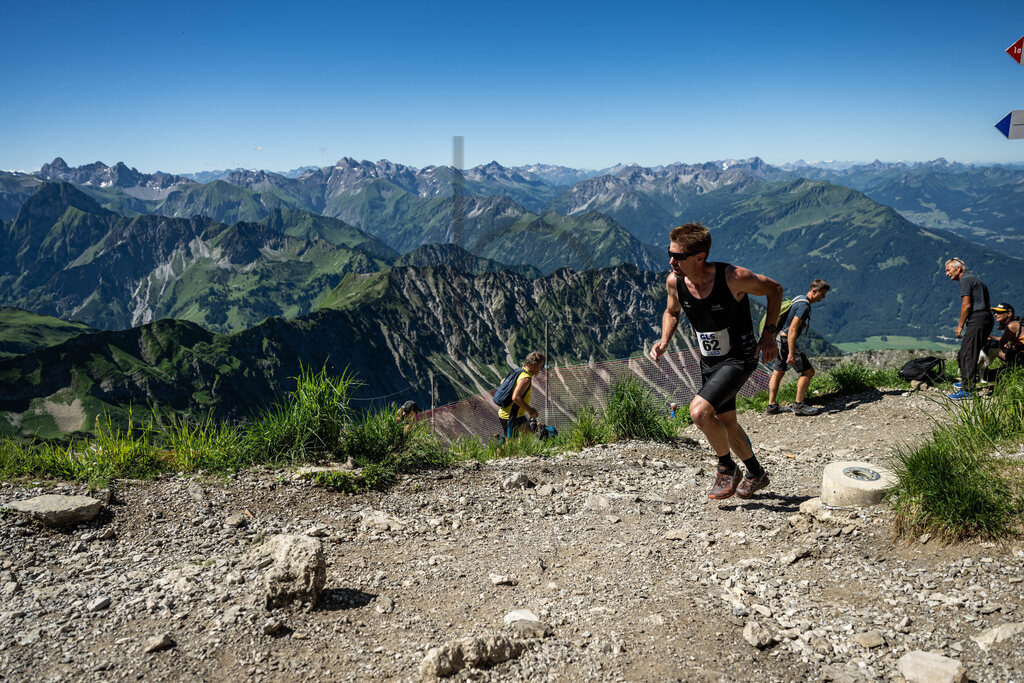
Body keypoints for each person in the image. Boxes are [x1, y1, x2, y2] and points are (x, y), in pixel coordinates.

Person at [649, 222, 783, 500]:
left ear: (700, 256)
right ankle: (756, 472)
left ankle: (726, 467)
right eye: (669, 253)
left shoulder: (734, 277)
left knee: (699, 413)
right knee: (726, 421)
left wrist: (768, 335)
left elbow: (775, 290)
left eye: (678, 256)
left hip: (739, 357)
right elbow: (672, 312)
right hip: (709, 360)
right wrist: (664, 341)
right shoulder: (674, 281)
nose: (671, 261)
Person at [765, 279, 831, 416]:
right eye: (822, 294)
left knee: (778, 371)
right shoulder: (804, 306)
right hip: (785, 341)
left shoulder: (798, 299)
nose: (822, 298)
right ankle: (799, 405)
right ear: (814, 291)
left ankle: (771, 406)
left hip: (777, 339)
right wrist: (791, 352)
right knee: (808, 372)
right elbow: (793, 330)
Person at [944, 258, 993, 398]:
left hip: (977, 318)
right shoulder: (975, 279)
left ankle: (968, 389)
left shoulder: (965, 280)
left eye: (948, 270)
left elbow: (967, 305)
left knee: (967, 353)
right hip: (986, 317)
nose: (947, 274)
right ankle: (968, 380)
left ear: (958, 269)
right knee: (971, 351)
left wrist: (960, 326)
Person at [498, 351, 545, 438]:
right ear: (534, 365)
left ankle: (525, 449)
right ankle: (499, 450)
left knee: (529, 434)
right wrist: (530, 411)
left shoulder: (518, 371)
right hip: (509, 416)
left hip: (517, 415)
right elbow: (515, 398)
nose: (541, 368)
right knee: (510, 445)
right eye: (540, 365)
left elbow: (502, 382)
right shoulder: (526, 379)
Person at [991, 303, 1024, 369]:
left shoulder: (1011, 326)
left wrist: (989, 338)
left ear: (1009, 313)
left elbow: (1001, 343)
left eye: (999, 312)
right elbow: (1004, 339)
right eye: (994, 312)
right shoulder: (1017, 323)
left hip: (1022, 356)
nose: (995, 314)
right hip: (1021, 353)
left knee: (992, 346)